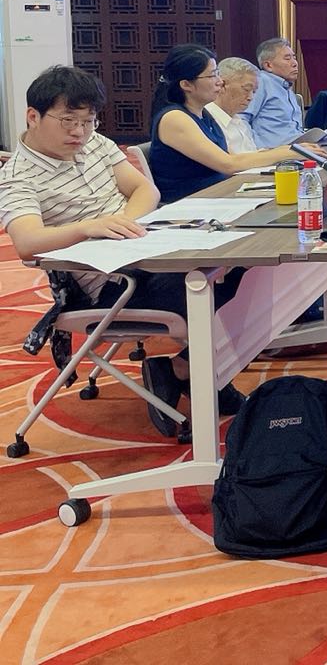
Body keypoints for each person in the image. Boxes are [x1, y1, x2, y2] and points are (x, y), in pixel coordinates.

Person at [0, 66, 246, 435]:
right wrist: (88, 228)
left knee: (246, 262)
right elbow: (27, 242)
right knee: (217, 279)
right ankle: (192, 370)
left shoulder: (94, 144)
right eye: (68, 121)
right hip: (108, 284)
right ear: (33, 116)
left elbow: (145, 191)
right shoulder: (18, 176)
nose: (79, 132)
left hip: (142, 252)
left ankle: (185, 368)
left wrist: (124, 224)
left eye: (88, 121)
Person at [150, 45, 295, 204]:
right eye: (212, 75)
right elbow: (228, 164)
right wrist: (289, 153)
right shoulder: (174, 118)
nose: (220, 82)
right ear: (186, 84)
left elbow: (234, 156)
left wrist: (286, 150)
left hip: (218, 196)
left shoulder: (203, 114)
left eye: (217, 74)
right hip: (190, 205)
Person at [239, 37, 304, 147]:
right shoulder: (261, 82)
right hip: (273, 151)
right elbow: (241, 118)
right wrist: (256, 148)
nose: (294, 63)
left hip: (296, 148)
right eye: (287, 59)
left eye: (294, 57)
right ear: (268, 65)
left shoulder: (285, 86)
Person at [206, 57, 260, 154]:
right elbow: (230, 161)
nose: (251, 97)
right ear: (222, 85)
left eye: (254, 92)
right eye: (247, 89)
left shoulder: (239, 121)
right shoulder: (206, 120)